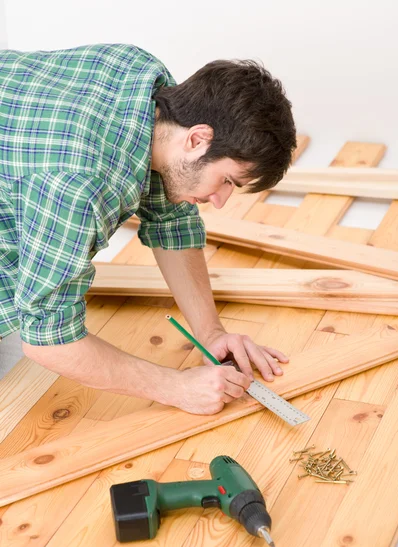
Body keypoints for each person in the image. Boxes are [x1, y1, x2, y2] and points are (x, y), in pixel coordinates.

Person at [0, 43, 297, 415]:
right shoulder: (77, 183)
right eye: (227, 181)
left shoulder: (141, 76)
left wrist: (212, 335)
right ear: (197, 139)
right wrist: (175, 386)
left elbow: (172, 223)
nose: (220, 201)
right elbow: (48, 340)